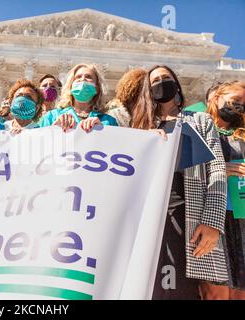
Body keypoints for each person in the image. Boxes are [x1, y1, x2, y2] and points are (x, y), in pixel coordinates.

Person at [124, 65, 228, 300]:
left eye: (166, 78)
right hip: (151, 219)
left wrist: (212, 222)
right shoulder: (140, 127)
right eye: (155, 81)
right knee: (151, 289)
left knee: (188, 290)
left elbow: (217, 170)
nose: (161, 83)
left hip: (189, 215)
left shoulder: (199, 120)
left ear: (177, 84)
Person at [204, 81, 245, 300]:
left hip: (241, 215)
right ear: (216, 97)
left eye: (244, 104)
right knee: (215, 291)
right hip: (211, 215)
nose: (240, 107)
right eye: (236, 100)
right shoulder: (200, 127)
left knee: (240, 292)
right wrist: (221, 168)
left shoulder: (242, 134)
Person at [40, 63, 117, 132]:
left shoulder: (109, 121)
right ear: (71, 86)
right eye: (78, 77)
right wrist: (54, 129)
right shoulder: (52, 116)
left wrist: (104, 131)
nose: (83, 79)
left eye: (88, 77)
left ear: (97, 88)